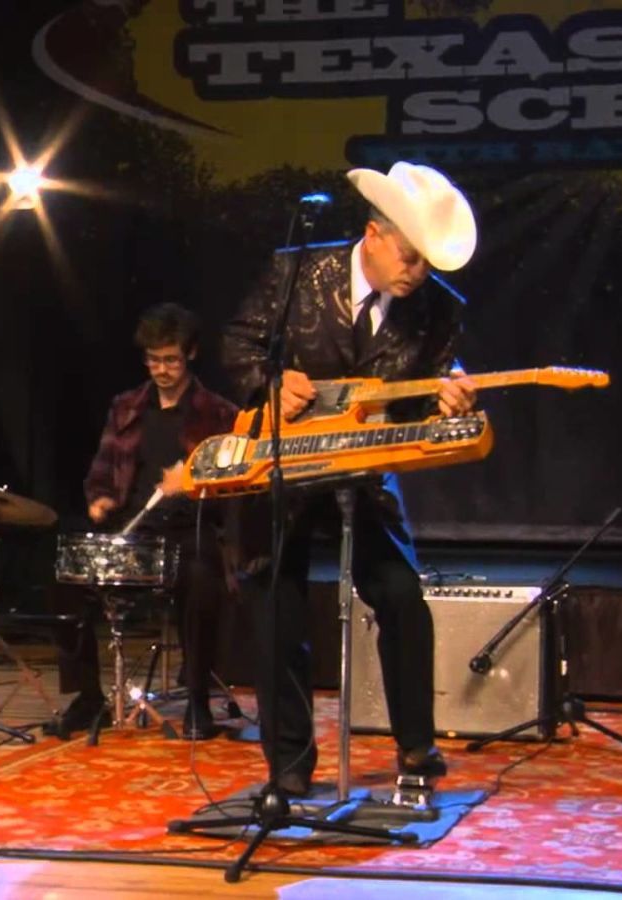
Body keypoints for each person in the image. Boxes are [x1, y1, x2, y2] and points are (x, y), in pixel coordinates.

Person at [221, 161, 479, 796]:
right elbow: (238, 348)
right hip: (286, 468)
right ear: (373, 233)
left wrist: (449, 400)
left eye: (429, 264)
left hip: (364, 472)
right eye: (411, 258)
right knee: (276, 602)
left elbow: (427, 393)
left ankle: (416, 747)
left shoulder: (440, 310)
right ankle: (289, 762)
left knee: (399, 595)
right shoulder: (297, 273)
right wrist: (271, 383)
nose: (419, 274)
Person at [53, 302, 239, 740]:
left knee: (200, 576)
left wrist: (193, 481)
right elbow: (101, 471)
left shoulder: (218, 413)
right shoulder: (126, 407)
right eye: (153, 360)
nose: (161, 369)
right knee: (66, 579)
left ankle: (196, 698)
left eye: (170, 359)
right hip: (134, 532)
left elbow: (233, 486)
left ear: (190, 354)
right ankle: (87, 697)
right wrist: (99, 498)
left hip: (188, 530)